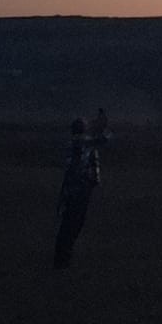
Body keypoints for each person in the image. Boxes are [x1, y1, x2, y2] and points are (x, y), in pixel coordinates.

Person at [53, 108, 110, 268]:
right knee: (72, 224)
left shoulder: (76, 142)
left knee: (72, 224)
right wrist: (102, 125)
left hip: (74, 189)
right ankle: (62, 258)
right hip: (78, 190)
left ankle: (63, 257)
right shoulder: (80, 143)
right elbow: (105, 138)